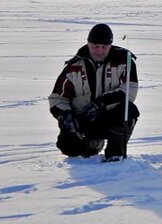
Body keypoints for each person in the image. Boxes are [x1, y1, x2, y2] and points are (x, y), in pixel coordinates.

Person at [48, 23, 139, 162]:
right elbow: (57, 98)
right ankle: (93, 144)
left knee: (129, 110)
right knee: (67, 146)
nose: (99, 51)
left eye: (104, 47)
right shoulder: (74, 67)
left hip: (111, 115)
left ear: (110, 46)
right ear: (88, 44)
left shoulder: (124, 61)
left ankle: (115, 152)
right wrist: (65, 116)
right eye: (95, 46)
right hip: (84, 119)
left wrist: (100, 104)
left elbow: (129, 90)